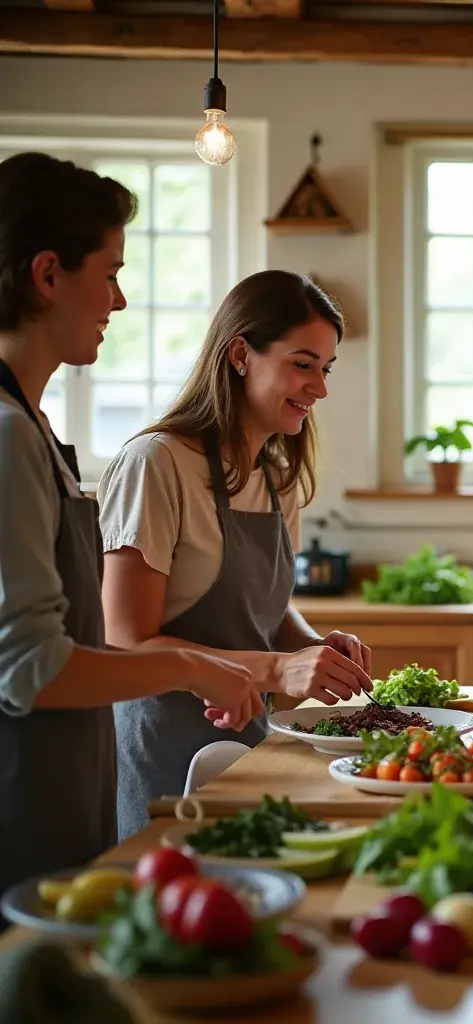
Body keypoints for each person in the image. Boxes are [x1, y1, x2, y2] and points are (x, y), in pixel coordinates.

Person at [0, 152, 262, 900]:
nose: (117, 300)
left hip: (64, 793)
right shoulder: (9, 434)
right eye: (109, 272)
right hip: (23, 811)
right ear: (47, 275)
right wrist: (192, 664)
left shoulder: (32, 427)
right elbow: (33, 668)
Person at [98, 270, 374, 840]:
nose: (319, 388)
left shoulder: (278, 475)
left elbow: (268, 614)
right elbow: (125, 642)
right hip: (162, 756)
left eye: (325, 368)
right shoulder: (156, 464)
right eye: (302, 364)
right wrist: (278, 667)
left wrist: (310, 645)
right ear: (241, 354)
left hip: (253, 747)